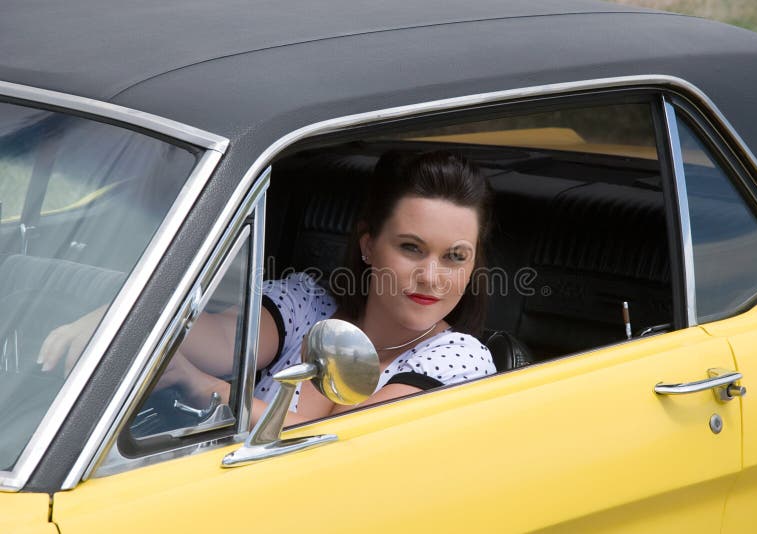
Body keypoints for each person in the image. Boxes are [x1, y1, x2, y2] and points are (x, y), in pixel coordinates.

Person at [40, 150, 496, 429]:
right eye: (411, 248)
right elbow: (220, 340)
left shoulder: (460, 360)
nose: (432, 277)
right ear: (369, 246)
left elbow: (339, 445)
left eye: (455, 256)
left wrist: (200, 387)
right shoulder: (307, 303)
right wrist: (114, 319)